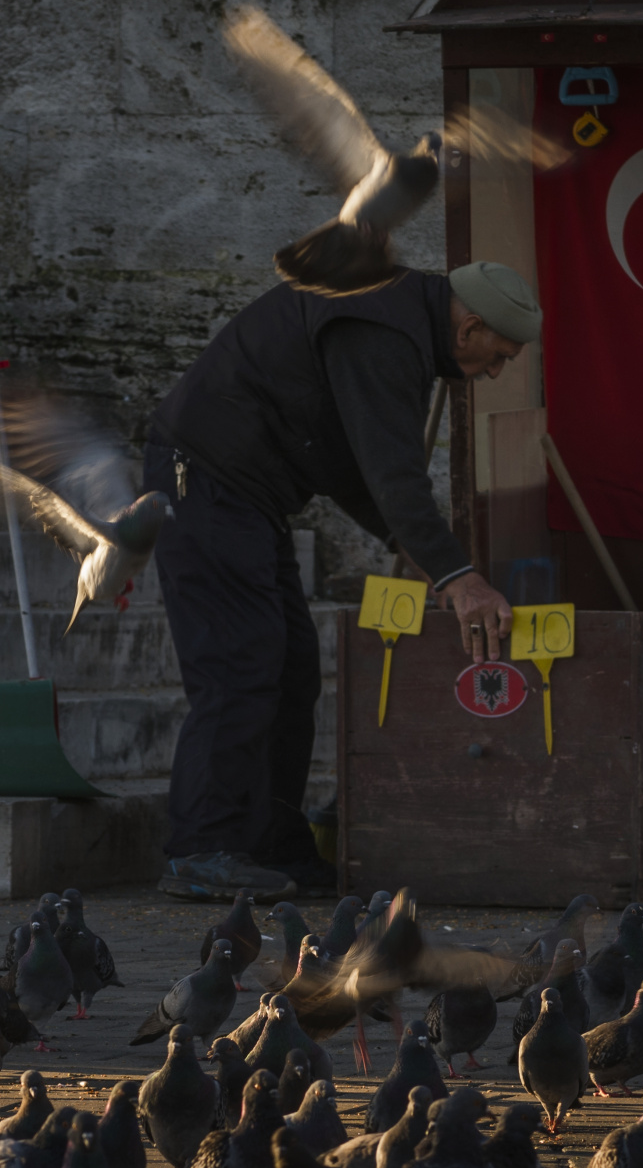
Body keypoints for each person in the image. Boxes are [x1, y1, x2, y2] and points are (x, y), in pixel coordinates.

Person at [143, 261, 540, 901]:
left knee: (293, 667)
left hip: (249, 500)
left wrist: (426, 560)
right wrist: (459, 578)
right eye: (498, 357)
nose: (493, 373)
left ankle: (272, 842)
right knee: (239, 662)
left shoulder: (397, 325)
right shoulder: (382, 325)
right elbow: (392, 475)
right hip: (204, 484)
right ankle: (201, 846)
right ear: (468, 327)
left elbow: (355, 470)